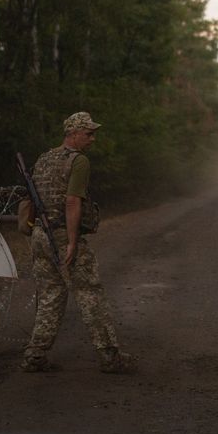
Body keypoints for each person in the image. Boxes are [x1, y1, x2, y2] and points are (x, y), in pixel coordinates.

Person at [18, 111, 134, 374]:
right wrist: (71, 241)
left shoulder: (44, 159)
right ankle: (110, 357)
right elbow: (72, 201)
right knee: (89, 292)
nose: (93, 139)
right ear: (72, 134)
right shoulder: (78, 161)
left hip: (39, 236)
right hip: (61, 234)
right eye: (88, 134)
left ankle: (35, 356)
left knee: (51, 294)